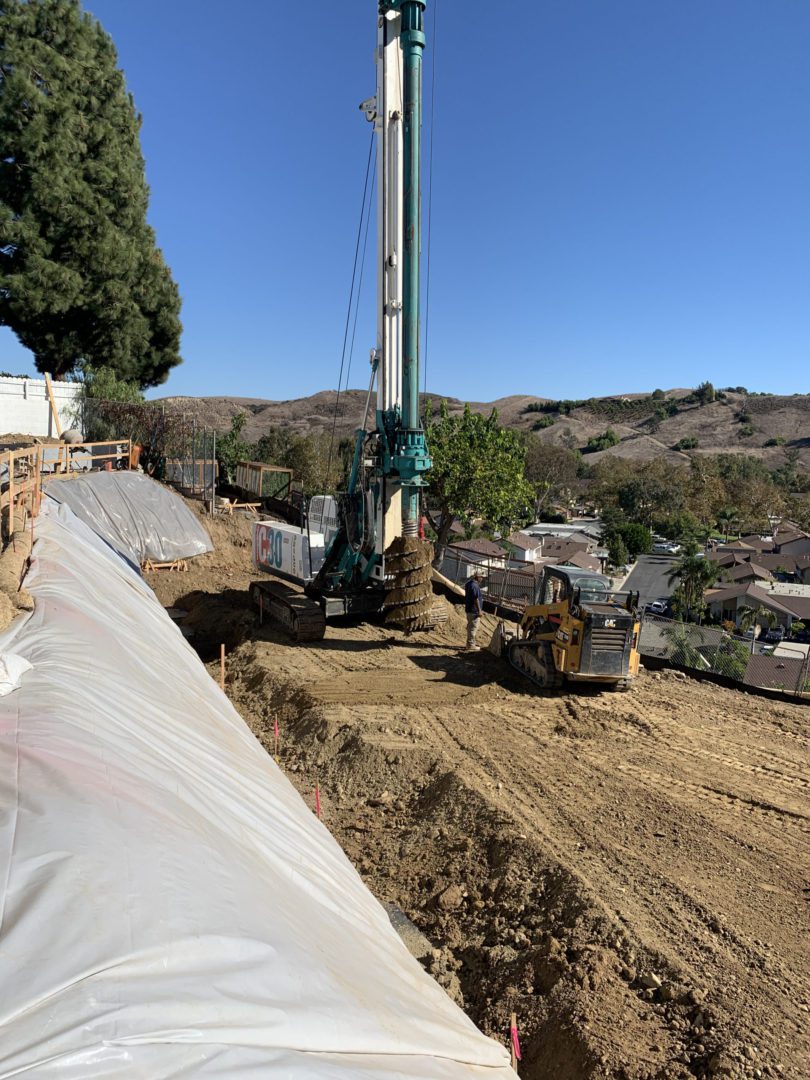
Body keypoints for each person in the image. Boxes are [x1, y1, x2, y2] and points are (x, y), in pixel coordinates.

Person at [464, 570, 484, 651]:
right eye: (481, 577)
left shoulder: (468, 584)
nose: (482, 579)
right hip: (474, 611)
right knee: (473, 628)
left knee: (470, 627)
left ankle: (469, 644)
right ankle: (471, 645)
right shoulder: (474, 586)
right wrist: (479, 611)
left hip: (469, 609)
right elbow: (476, 599)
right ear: (477, 577)